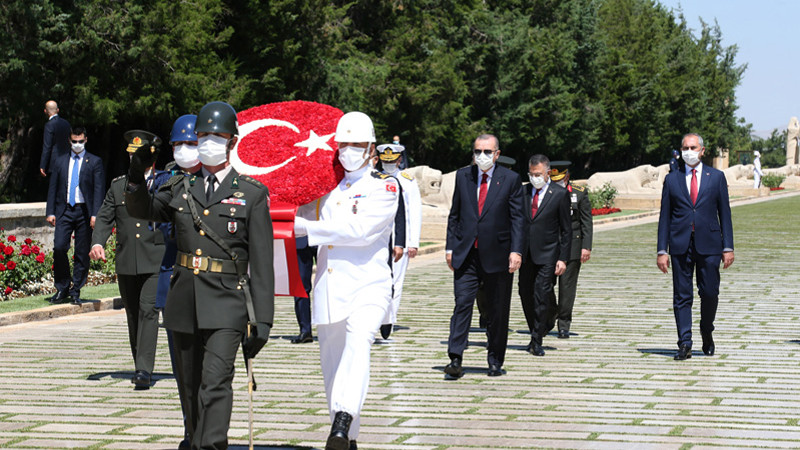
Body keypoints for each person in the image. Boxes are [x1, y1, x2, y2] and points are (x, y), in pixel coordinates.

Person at [125, 101, 274, 449]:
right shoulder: (180, 187)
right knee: (189, 386)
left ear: (232, 141)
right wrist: (135, 174)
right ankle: (195, 439)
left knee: (216, 381)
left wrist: (262, 320)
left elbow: (262, 263)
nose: (207, 143)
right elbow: (141, 209)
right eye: (202, 135)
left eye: (216, 136)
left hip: (228, 302)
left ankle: (212, 445)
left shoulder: (251, 194)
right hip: (184, 300)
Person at [293, 111, 399, 450]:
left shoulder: (385, 185)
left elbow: (361, 231)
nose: (349, 151)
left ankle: (343, 417)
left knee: (359, 345)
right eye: (344, 144)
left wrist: (308, 230)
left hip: (369, 284)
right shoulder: (326, 187)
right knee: (333, 365)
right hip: (329, 284)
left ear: (371, 149)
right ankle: (345, 437)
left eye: (357, 145)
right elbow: (299, 213)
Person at [90, 130, 169, 389]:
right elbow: (104, 216)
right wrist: (98, 242)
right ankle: (140, 364)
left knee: (148, 311)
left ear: (151, 158)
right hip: (127, 259)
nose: (135, 161)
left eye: (140, 156)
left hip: (155, 258)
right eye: (132, 156)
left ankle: (144, 370)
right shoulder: (118, 185)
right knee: (133, 315)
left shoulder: (165, 183)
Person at [443, 134, 525, 378]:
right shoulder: (463, 176)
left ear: (497, 154)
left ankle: (495, 360)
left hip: (498, 255)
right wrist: (450, 247)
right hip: (466, 254)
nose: (482, 156)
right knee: (462, 305)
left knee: (497, 310)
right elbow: (455, 214)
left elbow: (518, 219)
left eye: (487, 152)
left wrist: (516, 250)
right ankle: (455, 358)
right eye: (478, 151)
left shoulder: (510, 179)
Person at [657, 133, 734, 361]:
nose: (688, 151)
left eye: (692, 147)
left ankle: (706, 329)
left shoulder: (716, 177)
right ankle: (685, 342)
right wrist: (662, 250)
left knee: (709, 292)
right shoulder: (672, 179)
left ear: (702, 150)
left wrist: (728, 246)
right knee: (682, 296)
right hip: (680, 244)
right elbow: (664, 218)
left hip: (710, 245)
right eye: (684, 147)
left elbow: (725, 214)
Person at [518, 154, 571, 356]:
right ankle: (536, 327)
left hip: (548, 254)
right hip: (525, 254)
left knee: (541, 294)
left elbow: (566, 230)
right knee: (525, 293)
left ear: (548, 173)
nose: (534, 178)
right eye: (531, 174)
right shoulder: (522, 192)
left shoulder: (559, 194)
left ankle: (536, 339)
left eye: (538, 174)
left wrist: (563, 258)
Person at [45, 126, 105, 305]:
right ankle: (62, 286)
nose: (77, 144)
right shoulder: (60, 161)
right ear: (69, 141)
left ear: (85, 140)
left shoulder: (94, 161)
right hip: (65, 209)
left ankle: (76, 289)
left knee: (81, 252)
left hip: (84, 211)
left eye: (80, 141)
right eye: (74, 141)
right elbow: (53, 187)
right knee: (59, 247)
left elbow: (98, 189)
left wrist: (96, 214)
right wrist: (50, 212)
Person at [377, 143, 422, 340]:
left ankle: (389, 320)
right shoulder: (374, 178)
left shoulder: (407, 180)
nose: (388, 165)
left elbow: (414, 212)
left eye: (392, 161)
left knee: (395, 281)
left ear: (399, 160)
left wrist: (412, 242)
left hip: (398, 238)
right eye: (385, 161)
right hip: (377, 238)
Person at [546, 161, 592, 339]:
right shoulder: (546, 192)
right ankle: (551, 313)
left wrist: (586, 246)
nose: (556, 182)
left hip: (573, 245)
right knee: (546, 286)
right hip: (549, 246)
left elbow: (586, 221)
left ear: (566, 176)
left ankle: (564, 323)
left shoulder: (578, 193)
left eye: (559, 178)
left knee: (567, 287)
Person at [291, 235, 316, 344]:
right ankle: (305, 331)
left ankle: (336, 328)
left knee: (332, 285)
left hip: (325, 239)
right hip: (301, 239)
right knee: (300, 287)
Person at [40, 100, 72, 177]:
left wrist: (43, 165)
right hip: (67, 161)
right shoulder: (66, 123)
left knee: (53, 187)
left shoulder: (49, 125)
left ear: (45, 111)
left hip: (54, 163)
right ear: (58, 110)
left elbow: (47, 146)